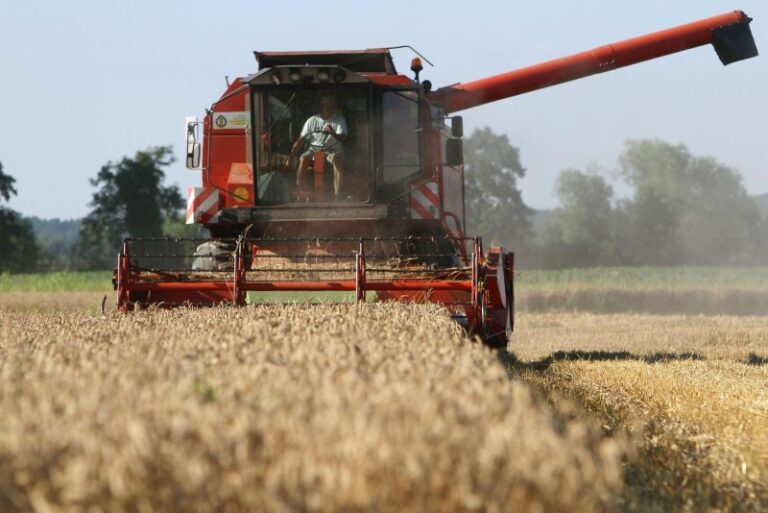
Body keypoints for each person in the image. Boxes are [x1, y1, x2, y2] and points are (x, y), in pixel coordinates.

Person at [290, 96, 348, 197]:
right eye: (326, 106)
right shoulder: (312, 120)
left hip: (332, 150)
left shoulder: (339, 120)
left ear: (334, 107)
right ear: (321, 107)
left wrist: (333, 133)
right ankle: (300, 192)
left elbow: (342, 137)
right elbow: (301, 139)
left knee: (336, 158)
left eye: (331, 106)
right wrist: (292, 155)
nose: (328, 109)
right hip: (314, 150)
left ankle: (338, 195)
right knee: (303, 158)